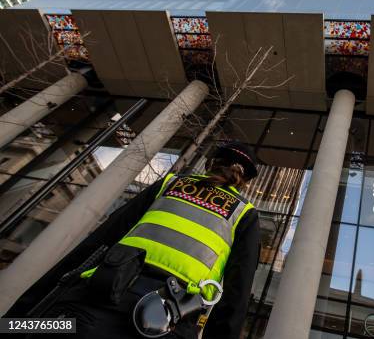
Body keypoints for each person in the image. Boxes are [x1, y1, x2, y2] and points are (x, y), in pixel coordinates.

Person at [8, 141, 261, 339]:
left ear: (211, 163)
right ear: (245, 181)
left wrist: (18, 318)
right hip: (167, 323)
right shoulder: (244, 213)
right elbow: (235, 297)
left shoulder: (170, 185)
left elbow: (99, 241)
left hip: (92, 300)